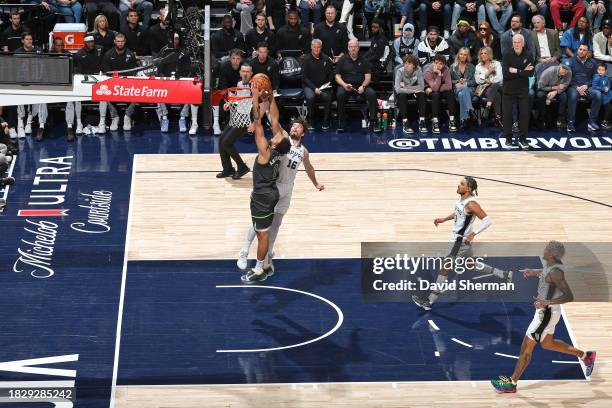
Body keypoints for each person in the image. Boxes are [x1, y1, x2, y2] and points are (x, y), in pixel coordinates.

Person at [491, 241, 596, 393]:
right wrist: (535, 272)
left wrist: (546, 302)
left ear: (551, 255)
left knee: (526, 347)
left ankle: (512, 383)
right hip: (548, 312)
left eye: (546, 250)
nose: (544, 251)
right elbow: (548, 273)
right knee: (548, 343)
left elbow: (569, 296)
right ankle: (585, 356)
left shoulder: (556, 272)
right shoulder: (553, 264)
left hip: (546, 314)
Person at [412, 176, 513, 311]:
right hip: (460, 240)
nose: (458, 185)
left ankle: (429, 301)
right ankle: (504, 274)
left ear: (469, 189)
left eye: (462, 184)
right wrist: (444, 219)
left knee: (445, 268)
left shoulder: (472, 204)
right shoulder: (462, 201)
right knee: (470, 265)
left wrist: (473, 233)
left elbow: (487, 220)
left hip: (460, 242)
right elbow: (458, 213)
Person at [237, 117, 324, 272]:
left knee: (276, 225)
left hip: (288, 189)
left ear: (303, 133)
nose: (295, 128)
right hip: (273, 187)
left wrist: (316, 183)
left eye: (298, 127)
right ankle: (244, 251)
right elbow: (274, 119)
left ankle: (269, 255)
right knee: (261, 224)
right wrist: (268, 99)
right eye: (293, 126)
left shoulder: (304, 152)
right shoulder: (283, 139)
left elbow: (309, 168)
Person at [240, 89, 292, 284]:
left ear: (277, 144)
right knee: (264, 231)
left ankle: (259, 268)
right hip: (272, 194)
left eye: (278, 136)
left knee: (262, 235)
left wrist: (255, 98)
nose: (277, 133)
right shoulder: (280, 150)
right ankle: (268, 264)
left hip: (262, 197)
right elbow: (275, 120)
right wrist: (269, 98)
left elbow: (258, 123)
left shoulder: (265, 151)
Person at [156, 33, 200, 134]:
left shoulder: (184, 52)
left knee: (190, 89)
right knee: (158, 88)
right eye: (173, 39)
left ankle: (182, 118)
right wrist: (164, 77)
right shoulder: (164, 51)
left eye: (176, 39)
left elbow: (189, 69)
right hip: (167, 82)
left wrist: (182, 77)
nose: (175, 41)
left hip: (181, 81)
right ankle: (165, 118)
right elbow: (159, 70)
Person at [335, 38, 381, 133]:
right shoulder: (342, 60)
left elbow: (368, 77)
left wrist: (363, 86)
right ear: (348, 48)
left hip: (360, 86)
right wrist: (344, 85)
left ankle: (373, 122)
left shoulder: (364, 60)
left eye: (355, 47)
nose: (353, 49)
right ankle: (342, 123)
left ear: (358, 48)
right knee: (340, 95)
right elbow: (337, 77)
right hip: (346, 86)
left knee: (372, 94)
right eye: (351, 47)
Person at [216, 63, 253, 180]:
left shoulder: (254, 86)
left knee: (227, 142)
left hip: (246, 119)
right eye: (243, 71)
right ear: (240, 73)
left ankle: (242, 167)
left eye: (248, 71)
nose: (245, 73)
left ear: (251, 74)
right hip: (237, 116)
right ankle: (228, 169)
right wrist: (229, 103)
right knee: (221, 140)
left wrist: (254, 122)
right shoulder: (239, 83)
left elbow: (257, 105)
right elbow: (237, 98)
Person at [100, 33, 138, 132]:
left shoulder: (130, 54)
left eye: (122, 41)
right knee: (105, 93)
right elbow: (107, 73)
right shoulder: (108, 54)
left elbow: (134, 71)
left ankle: (127, 116)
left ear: (125, 41)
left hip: (128, 83)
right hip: (113, 83)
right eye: (118, 41)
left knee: (137, 92)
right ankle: (115, 117)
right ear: (114, 42)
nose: (120, 43)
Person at [501, 33, 534, 149]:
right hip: (508, 90)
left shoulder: (529, 54)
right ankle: (508, 139)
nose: (516, 44)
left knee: (524, 115)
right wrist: (522, 71)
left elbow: (531, 73)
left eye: (518, 42)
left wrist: (516, 71)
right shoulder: (506, 54)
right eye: (514, 42)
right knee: (508, 115)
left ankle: (523, 139)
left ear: (523, 43)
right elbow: (506, 74)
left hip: (523, 90)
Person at [15, 32, 47, 141]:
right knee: (19, 96)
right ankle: (20, 124)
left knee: (42, 98)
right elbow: (16, 70)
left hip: (37, 82)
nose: (29, 41)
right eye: (27, 39)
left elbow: (43, 67)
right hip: (22, 82)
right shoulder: (18, 52)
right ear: (23, 41)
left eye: (31, 39)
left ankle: (34, 122)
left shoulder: (38, 50)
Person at [73, 35, 104, 135]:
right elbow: (78, 72)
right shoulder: (79, 54)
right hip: (84, 82)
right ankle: (79, 123)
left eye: (92, 41)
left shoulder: (100, 49)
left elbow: (104, 64)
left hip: (99, 81)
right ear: (85, 43)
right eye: (88, 42)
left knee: (105, 95)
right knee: (77, 98)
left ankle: (102, 122)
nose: (91, 44)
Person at [566, 43, 600, 132]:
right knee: (573, 96)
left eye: (584, 50)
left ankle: (592, 121)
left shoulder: (593, 62)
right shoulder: (570, 61)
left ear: (588, 52)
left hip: (587, 86)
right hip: (573, 86)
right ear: (577, 50)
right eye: (580, 49)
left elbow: (596, 78)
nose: (581, 51)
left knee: (598, 94)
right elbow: (567, 78)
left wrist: (587, 85)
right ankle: (570, 122)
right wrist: (577, 87)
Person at [302, 39, 334, 130]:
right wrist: (315, 88)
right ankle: (311, 120)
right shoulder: (306, 59)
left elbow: (330, 75)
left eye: (318, 47)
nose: (316, 49)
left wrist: (325, 86)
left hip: (323, 86)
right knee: (310, 97)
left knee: (328, 97)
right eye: (314, 47)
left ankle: (326, 121)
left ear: (321, 48)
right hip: (309, 86)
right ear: (311, 47)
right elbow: (304, 77)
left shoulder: (326, 58)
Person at [423, 54, 458, 133]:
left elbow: (449, 86)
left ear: (444, 64)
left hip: (438, 90)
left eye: (440, 63)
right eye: (436, 63)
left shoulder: (446, 69)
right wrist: (439, 75)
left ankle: (452, 120)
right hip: (429, 91)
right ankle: (435, 121)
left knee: (450, 93)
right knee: (435, 95)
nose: (438, 65)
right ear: (433, 63)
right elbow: (434, 89)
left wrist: (437, 86)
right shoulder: (427, 71)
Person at [395, 54, 428, 134]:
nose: (406, 65)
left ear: (414, 65)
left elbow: (421, 87)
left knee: (422, 94)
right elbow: (398, 89)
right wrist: (412, 90)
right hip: (405, 92)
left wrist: (405, 86)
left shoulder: (418, 69)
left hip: (410, 90)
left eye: (409, 63)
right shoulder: (400, 71)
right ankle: (405, 122)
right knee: (402, 95)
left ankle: (422, 121)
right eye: (405, 63)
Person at [536, 61, 572, 129]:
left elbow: (565, 86)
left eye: (567, 70)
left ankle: (560, 118)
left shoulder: (569, 73)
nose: (565, 71)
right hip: (545, 88)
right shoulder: (549, 72)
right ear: (559, 67)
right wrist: (553, 88)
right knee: (540, 96)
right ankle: (541, 118)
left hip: (557, 90)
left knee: (563, 96)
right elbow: (540, 86)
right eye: (563, 69)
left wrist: (556, 92)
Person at [450, 47, 477, 130]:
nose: (462, 56)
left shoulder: (472, 66)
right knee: (462, 91)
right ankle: (470, 110)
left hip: (469, 90)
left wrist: (465, 83)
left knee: (462, 93)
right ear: (458, 55)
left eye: (465, 55)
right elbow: (449, 80)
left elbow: (475, 81)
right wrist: (457, 82)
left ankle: (463, 120)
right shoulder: (453, 66)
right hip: (457, 89)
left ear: (467, 56)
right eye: (461, 54)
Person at [475, 46, 503, 126]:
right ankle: (498, 118)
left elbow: (500, 78)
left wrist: (489, 81)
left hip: (498, 87)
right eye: (481, 53)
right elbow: (478, 81)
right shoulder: (478, 66)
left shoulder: (496, 64)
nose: (483, 55)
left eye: (485, 53)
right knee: (496, 95)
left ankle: (488, 104)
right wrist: (489, 72)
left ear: (489, 54)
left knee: (495, 84)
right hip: (485, 89)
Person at [592, 62, 612, 129]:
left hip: (608, 94)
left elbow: (609, 85)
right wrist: (603, 88)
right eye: (599, 69)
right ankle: (604, 122)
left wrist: (608, 88)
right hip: (602, 95)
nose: (600, 71)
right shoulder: (596, 77)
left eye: (602, 70)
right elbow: (594, 86)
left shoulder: (607, 77)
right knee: (609, 107)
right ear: (597, 70)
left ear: (606, 71)